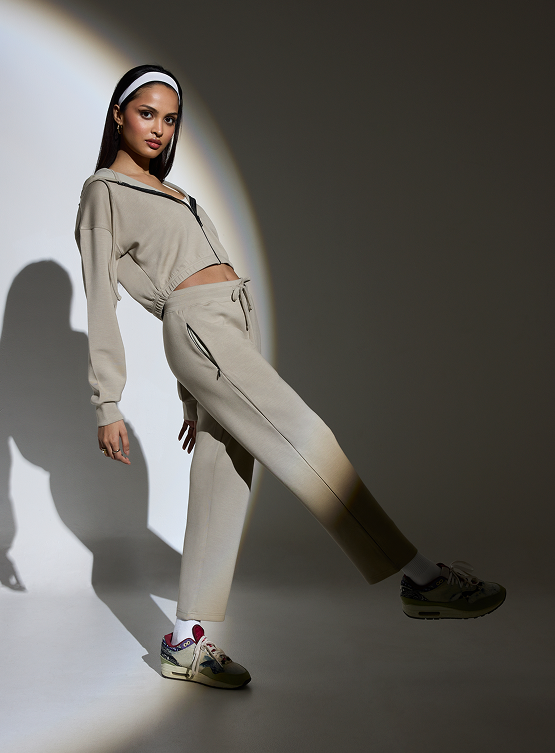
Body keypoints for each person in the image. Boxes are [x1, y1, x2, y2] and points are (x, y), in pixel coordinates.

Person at [75, 64, 506, 690]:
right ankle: (423, 579)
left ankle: (185, 643)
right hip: (205, 331)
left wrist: (191, 397)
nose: (159, 129)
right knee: (307, 436)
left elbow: (171, 286)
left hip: (226, 330)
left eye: (170, 119)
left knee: (223, 482)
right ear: (119, 116)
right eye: (147, 114)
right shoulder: (104, 191)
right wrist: (107, 403)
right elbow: (106, 297)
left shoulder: (173, 193)